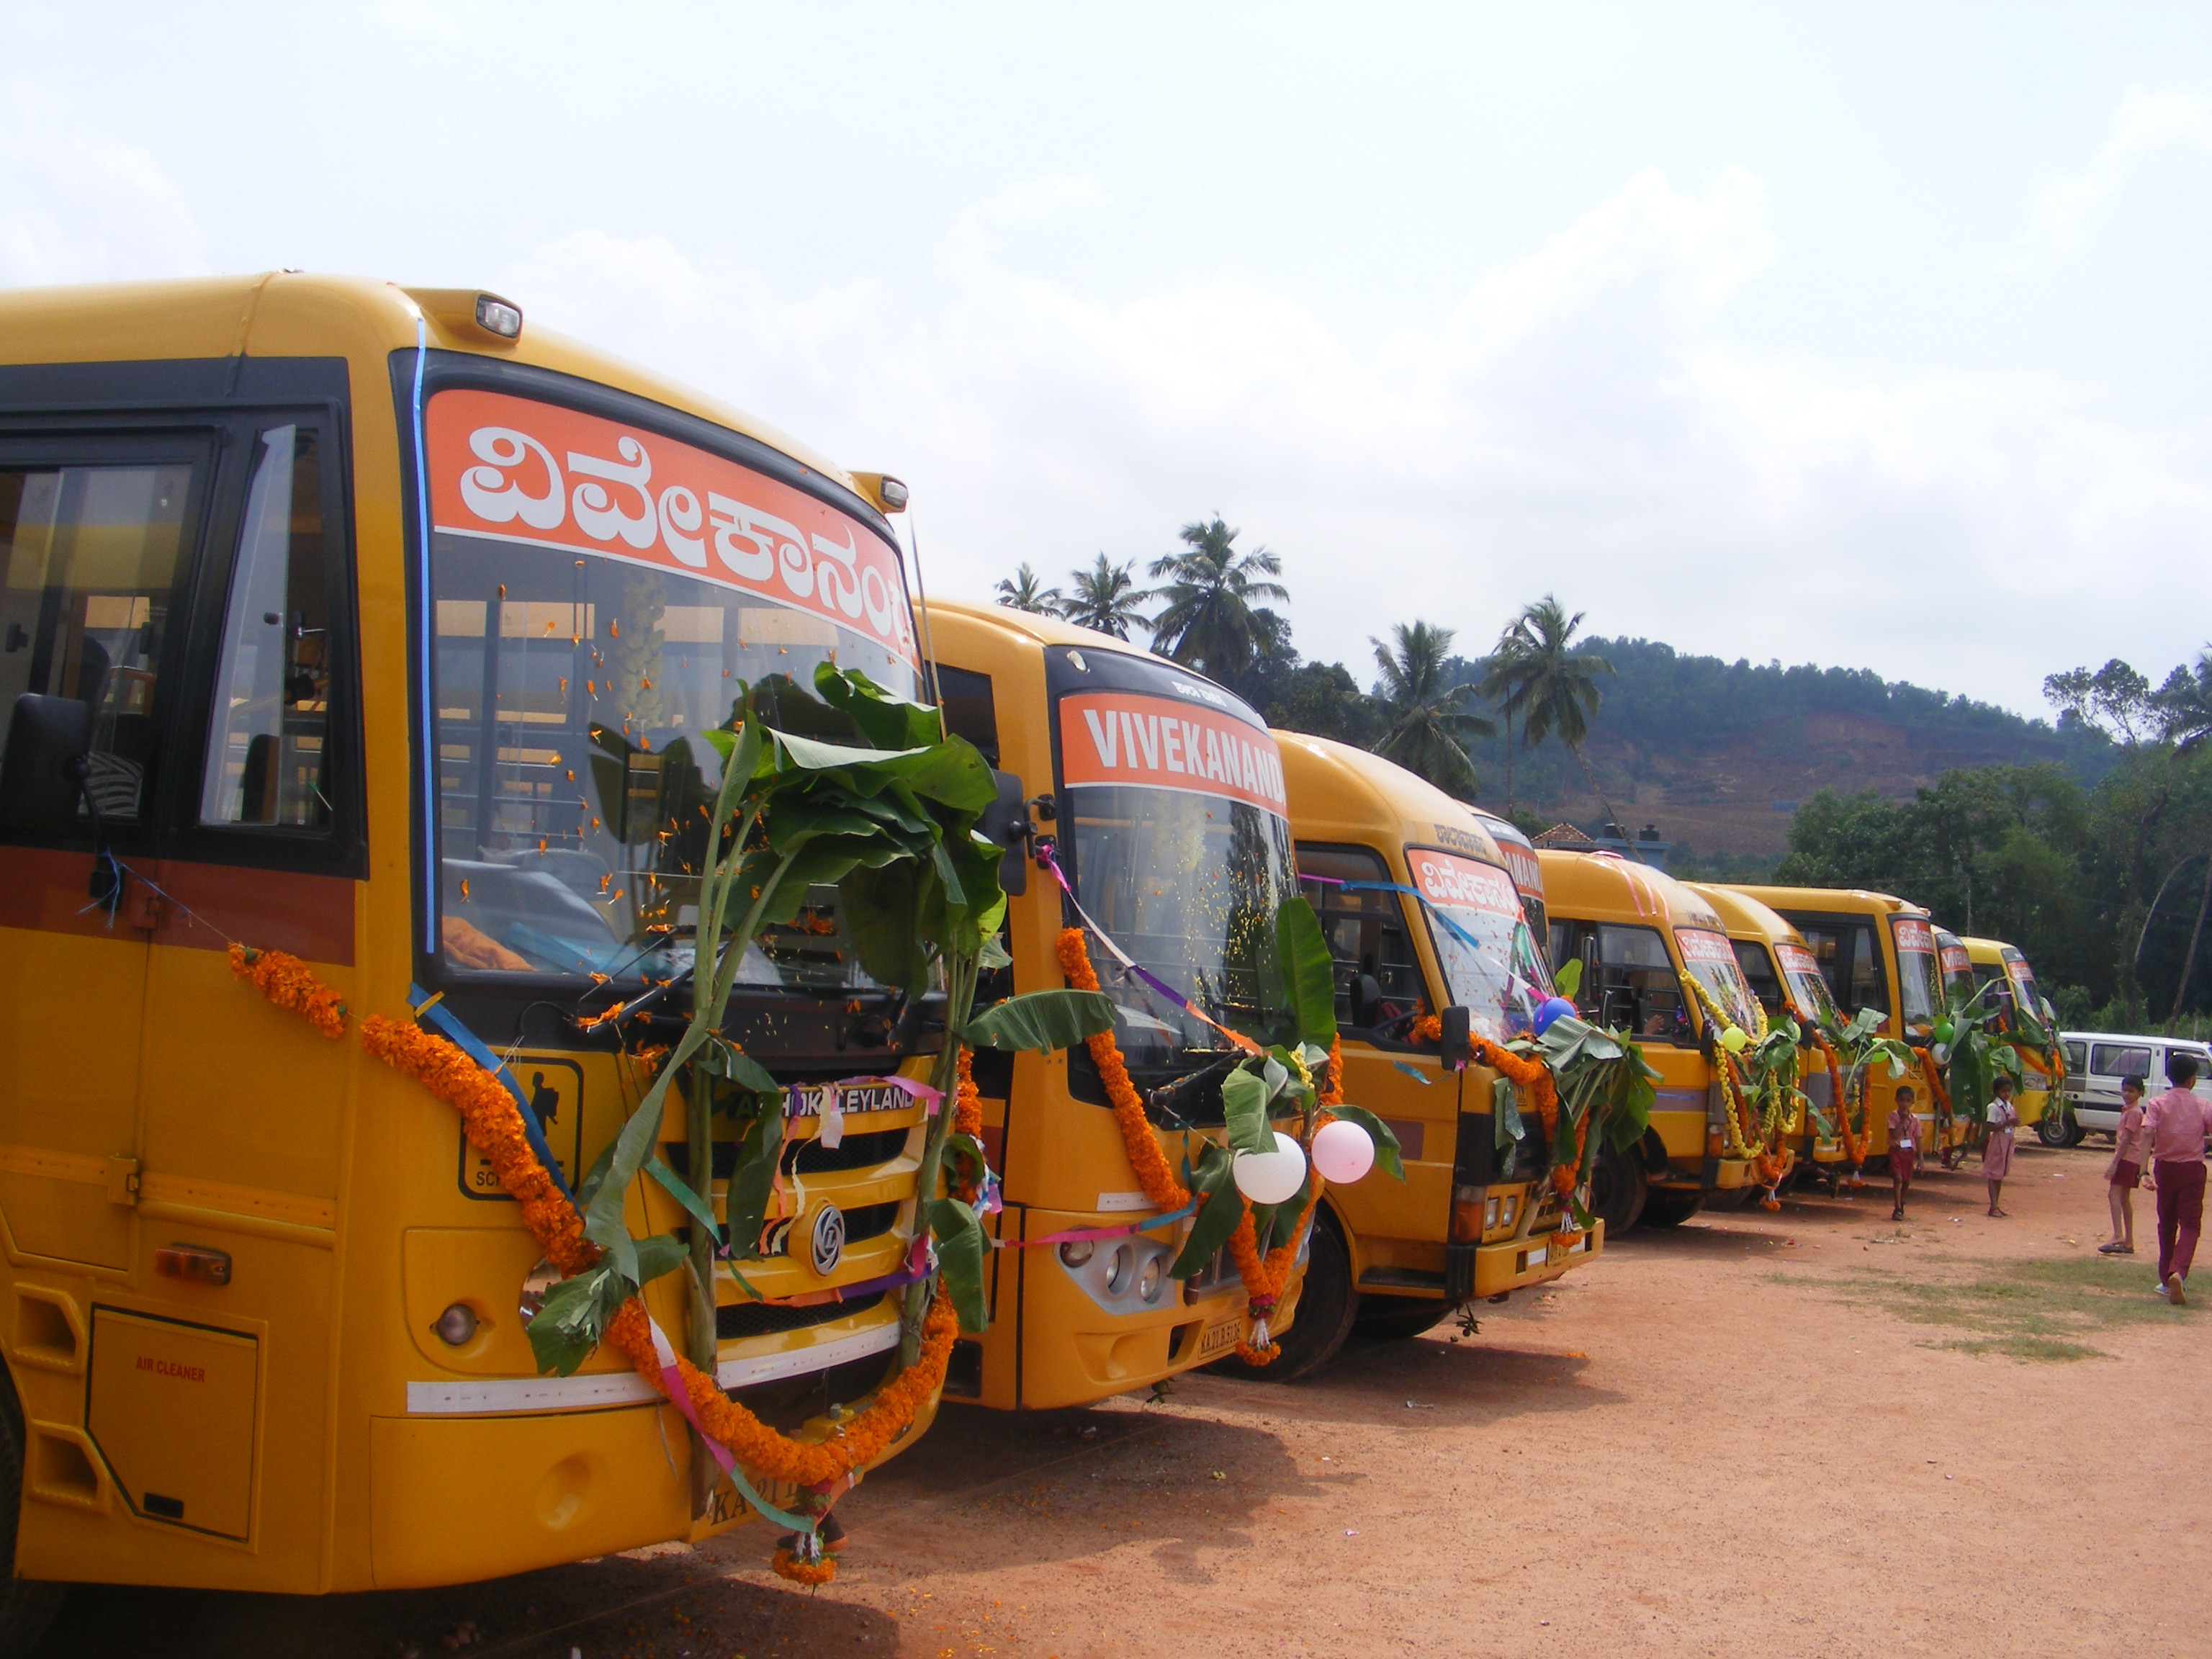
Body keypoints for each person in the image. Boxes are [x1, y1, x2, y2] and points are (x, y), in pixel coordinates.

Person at [2143, 1052, 2210, 1305]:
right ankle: (2179, 1272)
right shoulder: (2203, 1105)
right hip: (2192, 1169)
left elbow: (2147, 1134)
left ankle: (2165, 1277)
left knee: (2167, 1223)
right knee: (2191, 1225)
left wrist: (2143, 1170)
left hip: (2165, 1168)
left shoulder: (2157, 1103)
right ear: (2192, 1080)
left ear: (2169, 1077)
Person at [2098, 1076, 2149, 1255]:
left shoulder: (2134, 1112)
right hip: (2132, 1158)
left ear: (2140, 1093)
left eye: (2131, 1091)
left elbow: (2126, 1139)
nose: (2126, 1094)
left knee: (2114, 1194)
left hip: (2127, 1158)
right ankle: (2128, 1240)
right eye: (2125, 1090)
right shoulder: (2131, 1110)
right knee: (2124, 1198)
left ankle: (2118, 1234)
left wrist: (2114, 1163)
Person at [1982, 1076, 2018, 1217]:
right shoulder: (1993, 1107)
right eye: (2004, 1091)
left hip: (2008, 1139)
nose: (2007, 1094)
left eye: (2009, 1091)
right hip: (1998, 1140)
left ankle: (1996, 1204)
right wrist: (2006, 1123)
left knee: (2000, 1174)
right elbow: (1990, 1126)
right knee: (1993, 1174)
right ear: (1997, 1092)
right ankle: (1993, 1205)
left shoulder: (2009, 1106)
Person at [1887, 1084, 1920, 1222]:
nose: (1904, 1104)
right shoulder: (1893, 1116)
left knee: (1907, 1180)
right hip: (1896, 1150)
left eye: (1908, 1101)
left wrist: (1921, 1158)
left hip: (1909, 1152)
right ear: (1896, 1101)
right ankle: (1897, 1207)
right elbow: (1895, 1135)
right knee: (1898, 1178)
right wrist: (1903, 1121)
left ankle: (1901, 1200)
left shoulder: (1916, 1120)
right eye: (1902, 1100)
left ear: (1912, 1102)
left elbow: (1918, 1137)